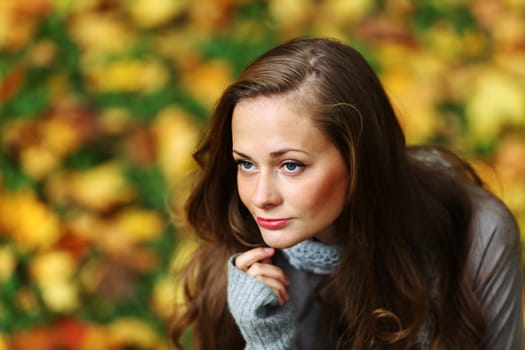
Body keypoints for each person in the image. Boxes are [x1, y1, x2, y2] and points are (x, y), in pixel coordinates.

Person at [170, 38, 523, 349]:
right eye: (246, 164)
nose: (260, 197)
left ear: (359, 162)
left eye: (290, 165)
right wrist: (266, 343)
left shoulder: (476, 233)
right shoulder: (244, 247)